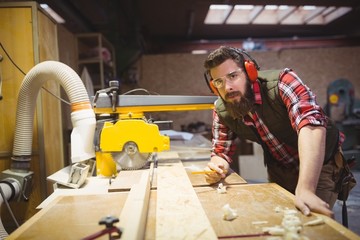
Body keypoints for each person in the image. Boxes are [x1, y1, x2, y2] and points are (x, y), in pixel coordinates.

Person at [203, 46, 354, 218]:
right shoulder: (221, 109)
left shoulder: (283, 82)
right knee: (281, 221)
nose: (227, 87)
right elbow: (220, 151)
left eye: (233, 76)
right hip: (280, 168)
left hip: (320, 166)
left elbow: (311, 125)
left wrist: (306, 188)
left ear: (250, 72)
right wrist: (218, 165)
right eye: (219, 82)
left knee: (310, 224)